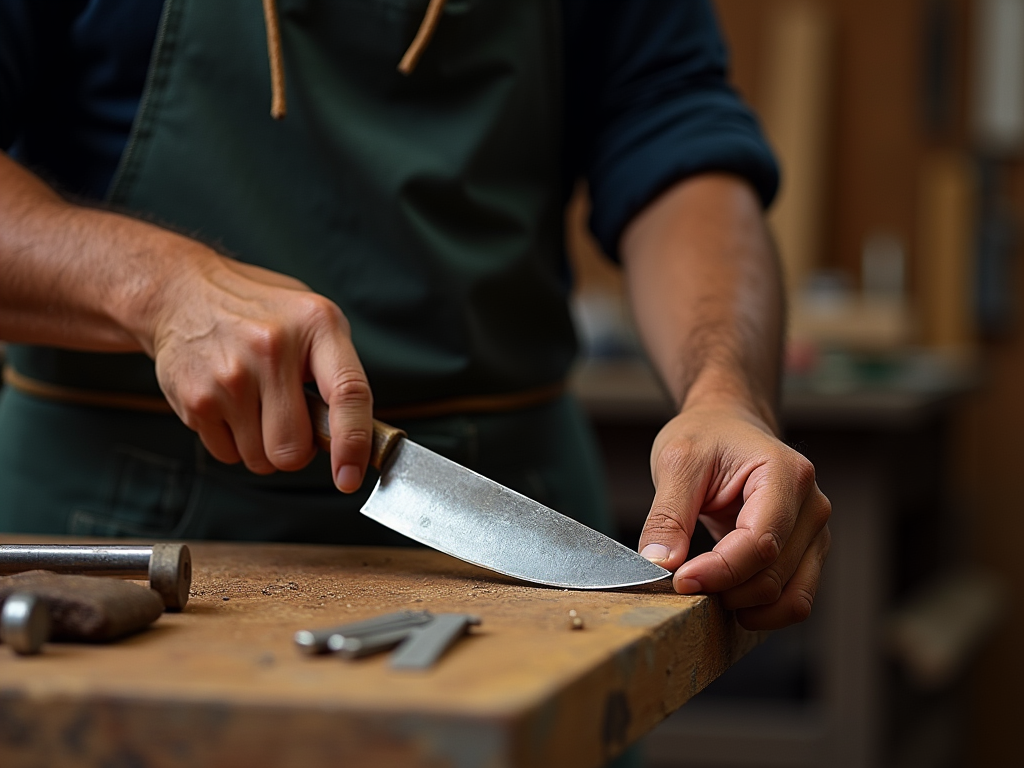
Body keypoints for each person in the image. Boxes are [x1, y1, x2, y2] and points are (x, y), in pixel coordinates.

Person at [0, 0, 830, 631]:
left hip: (512, 512)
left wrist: (728, 392)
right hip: (107, 533)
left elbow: (669, 125)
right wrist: (157, 287)